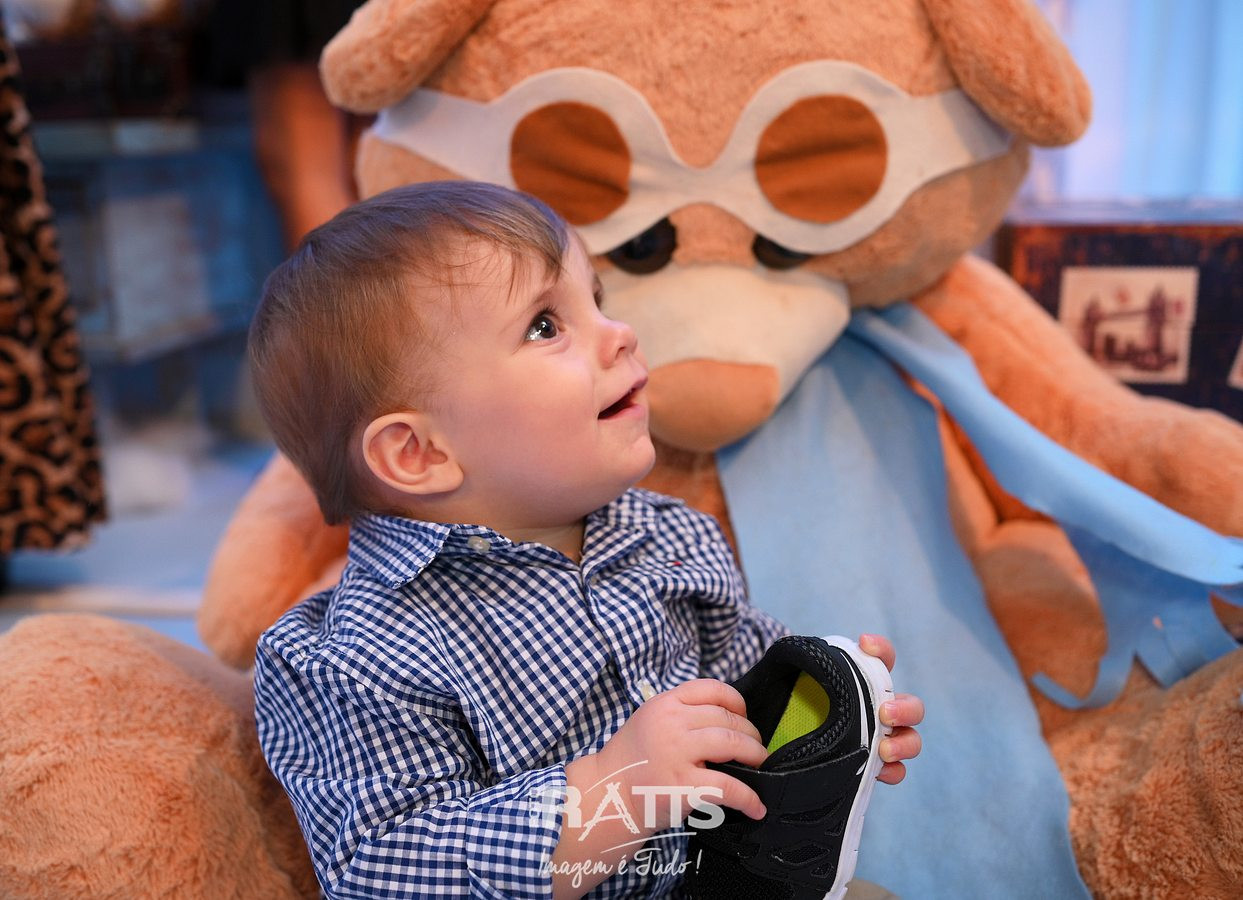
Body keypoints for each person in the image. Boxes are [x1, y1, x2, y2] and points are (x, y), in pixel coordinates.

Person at [249, 181, 924, 898]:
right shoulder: (359, 659)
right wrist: (615, 788)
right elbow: (383, 866)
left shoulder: (668, 538)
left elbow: (736, 699)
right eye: (545, 326)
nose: (620, 332)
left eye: (597, 299)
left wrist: (828, 716)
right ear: (420, 453)